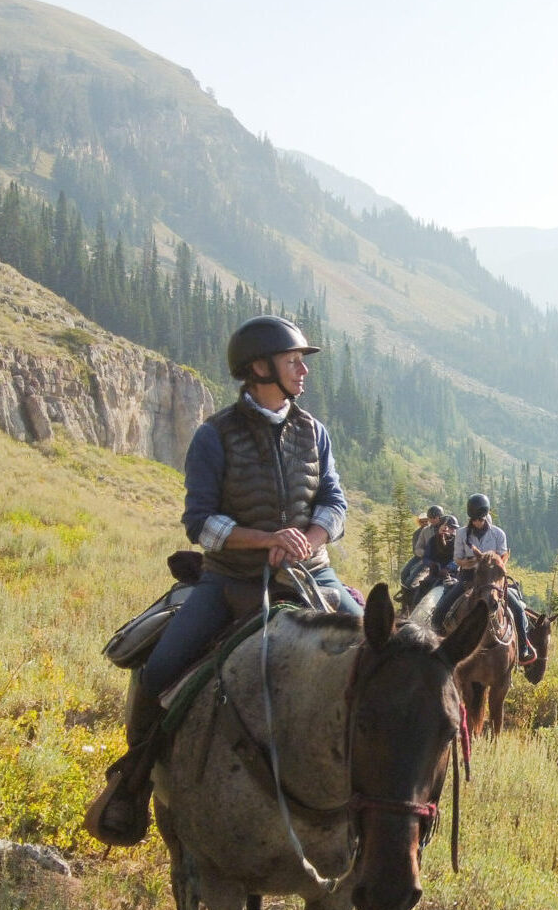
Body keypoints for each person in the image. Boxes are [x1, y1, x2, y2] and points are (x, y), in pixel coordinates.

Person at [85, 314, 362, 846]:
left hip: (312, 575)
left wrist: (307, 539)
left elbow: (335, 502)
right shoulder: (214, 436)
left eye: (301, 361)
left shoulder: (314, 431)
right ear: (259, 368)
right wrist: (265, 540)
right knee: (158, 670)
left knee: (385, 657)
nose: (303, 370)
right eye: (292, 361)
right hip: (231, 583)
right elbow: (201, 523)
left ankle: (387, 808)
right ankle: (132, 784)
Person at [451, 493, 535, 664]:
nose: (477, 522)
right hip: (469, 575)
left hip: (493, 577)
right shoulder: (461, 533)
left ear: (486, 516)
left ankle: (522, 647)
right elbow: (457, 559)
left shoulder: (498, 534)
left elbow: (502, 558)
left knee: (518, 609)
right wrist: (472, 562)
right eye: (474, 519)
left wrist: (489, 562)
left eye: (481, 519)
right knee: (442, 609)